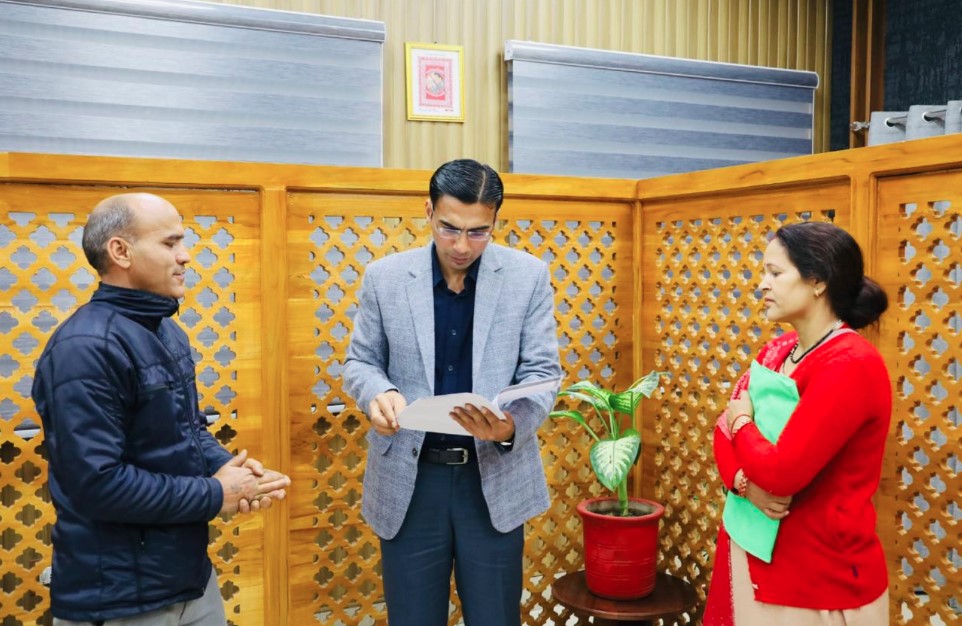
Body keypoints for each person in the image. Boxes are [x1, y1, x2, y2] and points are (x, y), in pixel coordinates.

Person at [31, 193, 291, 625]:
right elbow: (97, 484)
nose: (185, 256)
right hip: (119, 598)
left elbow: (188, 431)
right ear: (120, 251)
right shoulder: (85, 348)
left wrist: (234, 473)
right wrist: (216, 494)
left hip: (189, 579)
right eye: (170, 243)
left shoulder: (168, 332)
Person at [342, 159, 562, 626]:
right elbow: (360, 363)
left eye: (478, 232)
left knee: (495, 618)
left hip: (494, 478)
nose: (462, 245)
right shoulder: (385, 278)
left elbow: (542, 371)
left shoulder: (528, 277)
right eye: (449, 228)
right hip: (410, 479)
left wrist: (511, 426)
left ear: (495, 220)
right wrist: (379, 394)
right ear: (428, 211)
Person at [704, 221, 891, 625]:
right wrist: (744, 483)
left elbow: (780, 472)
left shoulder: (850, 365)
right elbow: (721, 432)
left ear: (818, 281)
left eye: (775, 273)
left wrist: (742, 423)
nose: (762, 285)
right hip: (751, 545)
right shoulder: (779, 349)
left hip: (815, 578)